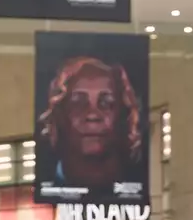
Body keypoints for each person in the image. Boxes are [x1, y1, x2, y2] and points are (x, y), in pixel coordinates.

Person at [37, 57, 143, 194]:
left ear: (125, 114)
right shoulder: (46, 182)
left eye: (106, 103)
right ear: (59, 114)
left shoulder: (137, 184)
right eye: (78, 103)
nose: (92, 115)